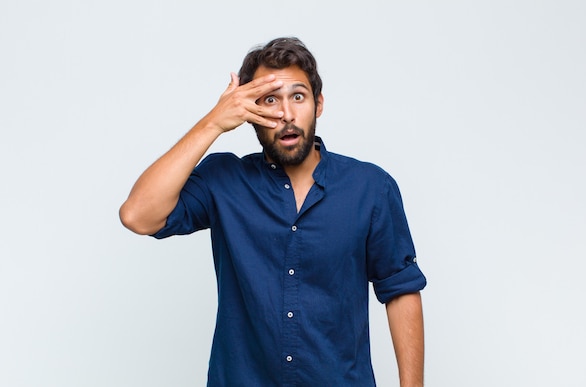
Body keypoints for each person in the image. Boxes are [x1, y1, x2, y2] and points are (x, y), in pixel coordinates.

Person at [119, 37, 427, 387]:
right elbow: (138, 215)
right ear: (248, 111)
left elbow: (400, 290)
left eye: (298, 96)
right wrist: (213, 123)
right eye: (269, 100)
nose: (286, 114)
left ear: (319, 104)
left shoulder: (370, 187)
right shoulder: (223, 181)